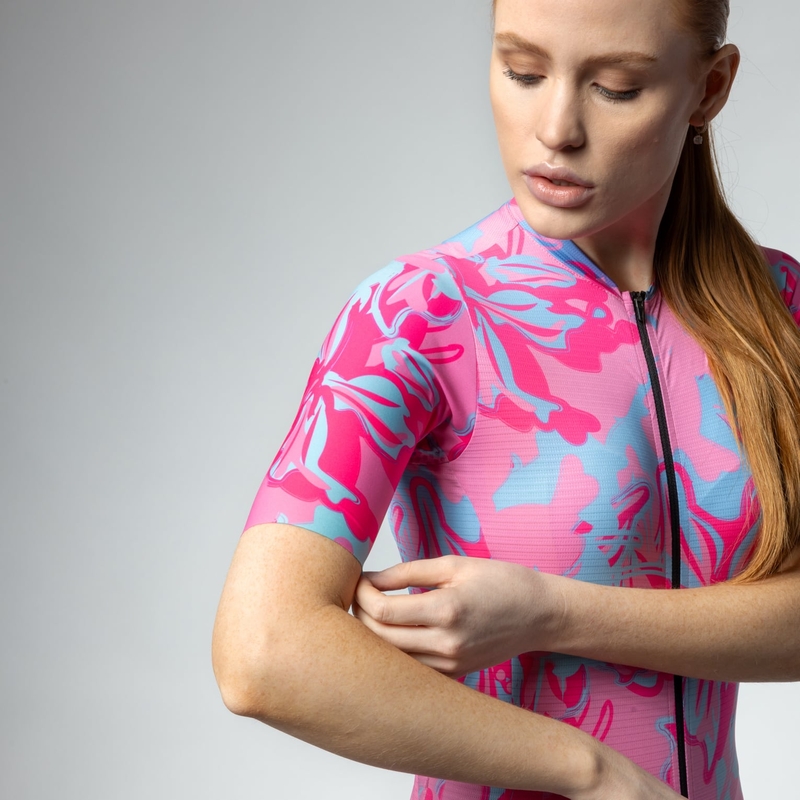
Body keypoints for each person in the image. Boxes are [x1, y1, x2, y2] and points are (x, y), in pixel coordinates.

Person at [212, 0, 800, 797]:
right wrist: (595, 773)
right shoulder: (419, 314)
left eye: (617, 87)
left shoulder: (782, 307)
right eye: (523, 71)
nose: (555, 129)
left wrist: (552, 613)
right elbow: (262, 650)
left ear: (710, 88)